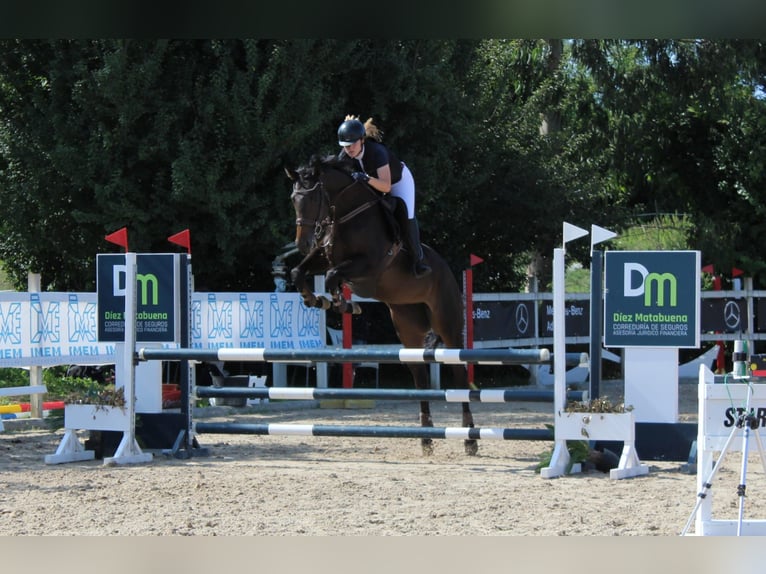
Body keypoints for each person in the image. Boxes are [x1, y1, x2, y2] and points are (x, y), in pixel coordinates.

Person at [336, 115, 431, 278]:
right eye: (345, 146)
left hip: (398, 182)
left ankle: (418, 260)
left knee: (406, 216)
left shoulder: (377, 152)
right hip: (374, 183)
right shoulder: (345, 156)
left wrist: (365, 178)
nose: (349, 149)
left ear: (362, 140)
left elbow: (386, 186)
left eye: (352, 144)